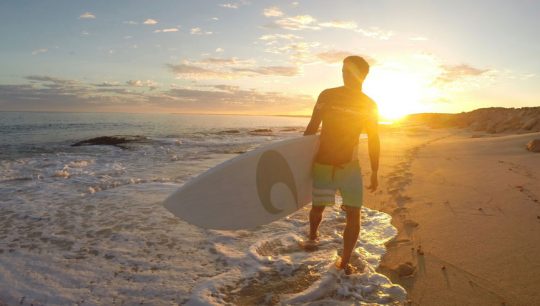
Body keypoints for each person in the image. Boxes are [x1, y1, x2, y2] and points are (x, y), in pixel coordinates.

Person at [303, 55, 380, 275]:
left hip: (350, 167)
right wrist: (297, 160)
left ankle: (344, 263)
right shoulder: (327, 95)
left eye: (349, 71)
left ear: (362, 75)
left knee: (354, 213)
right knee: (317, 208)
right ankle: (312, 237)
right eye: (343, 70)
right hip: (323, 164)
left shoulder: (368, 104)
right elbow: (312, 127)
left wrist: (375, 170)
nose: (344, 74)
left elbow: (374, 138)